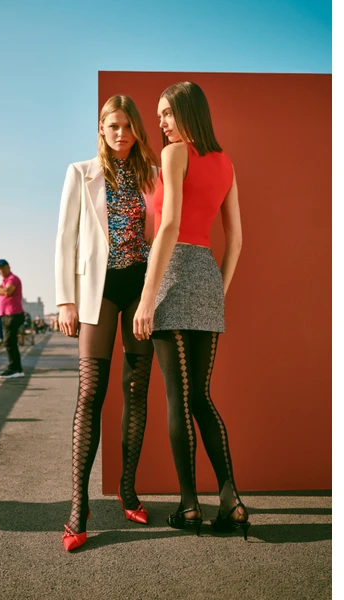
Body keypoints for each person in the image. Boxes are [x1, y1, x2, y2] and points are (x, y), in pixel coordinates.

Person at [133, 82, 250, 540]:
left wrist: (148, 297)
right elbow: (236, 239)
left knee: (178, 400)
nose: (161, 123)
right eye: (159, 115)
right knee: (201, 396)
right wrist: (219, 290)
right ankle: (231, 498)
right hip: (206, 275)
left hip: (173, 271)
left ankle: (189, 506)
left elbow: (169, 226)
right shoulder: (226, 162)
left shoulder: (175, 153)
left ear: (187, 111)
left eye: (167, 113)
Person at [56, 95, 159, 551]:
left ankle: (127, 488)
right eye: (113, 125)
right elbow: (65, 238)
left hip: (140, 287)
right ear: (101, 127)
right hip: (97, 290)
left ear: (137, 129)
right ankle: (78, 505)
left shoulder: (152, 174)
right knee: (90, 392)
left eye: (128, 126)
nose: (121, 133)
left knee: (137, 389)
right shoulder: (81, 172)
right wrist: (65, 300)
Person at [0, 259, 25, 379]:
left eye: (3, 267)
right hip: (6, 315)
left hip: (13, 314)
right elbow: (0, 296)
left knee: (9, 341)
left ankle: (13, 368)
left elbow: (7, 292)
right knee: (11, 342)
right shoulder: (3, 282)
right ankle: (17, 369)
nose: (1, 270)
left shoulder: (13, 279)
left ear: (8, 267)